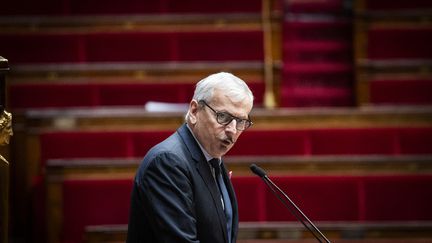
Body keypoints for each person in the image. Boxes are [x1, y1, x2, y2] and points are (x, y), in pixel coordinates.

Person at [127, 72, 254, 243]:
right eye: (223, 117)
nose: (232, 129)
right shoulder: (167, 163)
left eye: (240, 121)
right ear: (194, 111)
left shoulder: (212, 158)